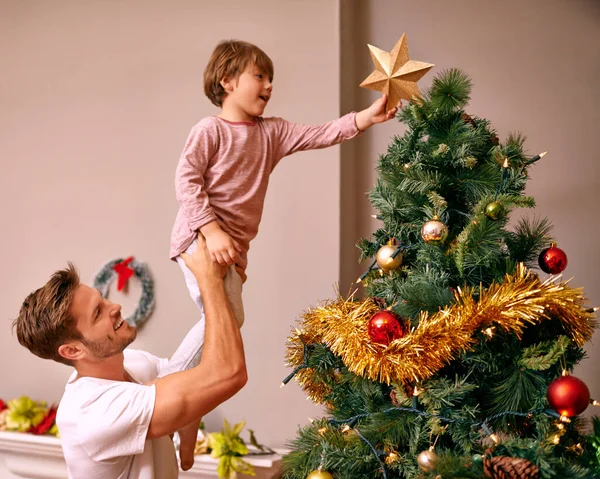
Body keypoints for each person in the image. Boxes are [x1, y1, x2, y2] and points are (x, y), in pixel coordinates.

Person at [171, 39, 400, 330]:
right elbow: (186, 180)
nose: (269, 85)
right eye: (259, 76)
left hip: (235, 248)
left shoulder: (272, 132)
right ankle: (171, 376)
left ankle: (180, 375)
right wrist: (211, 231)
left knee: (228, 324)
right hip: (202, 238)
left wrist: (366, 117)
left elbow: (321, 133)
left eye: (271, 79)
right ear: (227, 81)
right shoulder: (210, 129)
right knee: (223, 325)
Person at [13, 235, 245, 478]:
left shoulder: (135, 362)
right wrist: (209, 282)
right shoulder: (92, 412)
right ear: (73, 350)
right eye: (97, 313)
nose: (115, 307)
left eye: (102, 299)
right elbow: (228, 373)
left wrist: (228, 284)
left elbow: (204, 362)